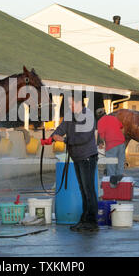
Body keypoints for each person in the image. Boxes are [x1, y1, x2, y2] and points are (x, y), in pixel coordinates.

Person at [41, 91, 99, 232]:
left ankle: (91, 222)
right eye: (68, 103)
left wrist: (64, 140)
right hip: (78, 157)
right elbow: (60, 129)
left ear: (79, 103)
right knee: (83, 190)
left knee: (88, 190)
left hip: (87, 157)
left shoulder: (88, 115)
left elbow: (83, 138)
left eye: (71, 103)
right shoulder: (69, 116)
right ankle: (85, 219)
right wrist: (51, 138)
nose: (70, 105)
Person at [96, 108, 126, 186]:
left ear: (98, 116)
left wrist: (100, 144)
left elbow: (101, 136)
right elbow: (121, 127)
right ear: (105, 113)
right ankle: (120, 184)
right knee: (120, 164)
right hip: (121, 143)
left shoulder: (100, 121)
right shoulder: (114, 118)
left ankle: (112, 187)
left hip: (111, 145)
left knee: (111, 166)